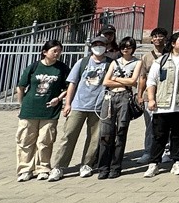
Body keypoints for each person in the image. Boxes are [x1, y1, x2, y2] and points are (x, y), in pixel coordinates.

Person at [47, 35, 112, 181]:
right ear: (91, 47)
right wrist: (68, 104)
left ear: (106, 47)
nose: (98, 47)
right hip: (78, 105)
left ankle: (87, 164)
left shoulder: (110, 64)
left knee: (94, 138)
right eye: (95, 44)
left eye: (101, 44)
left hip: (98, 107)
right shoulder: (82, 62)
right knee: (68, 135)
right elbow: (72, 83)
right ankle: (58, 166)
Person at [144, 32, 179, 178]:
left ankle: (177, 162)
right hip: (162, 105)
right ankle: (154, 163)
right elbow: (151, 81)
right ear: (173, 43)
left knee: (178, 135)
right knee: (159, 136)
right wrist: (151, 99)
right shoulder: (161, 61)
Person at [15, 40, 70, 182]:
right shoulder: (34, 67)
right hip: (30, 109)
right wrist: (22, 104)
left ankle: (43, 168)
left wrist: (59, 98)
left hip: (50, 111)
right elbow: (21, 86)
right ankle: (25, 169)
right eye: (54, 51)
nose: (57, 54)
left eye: (59, 51)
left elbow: (68, 87)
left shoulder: (62, 68)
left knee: (45, 141)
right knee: (25, 140)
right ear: (45, 52)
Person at [96, 36, 143, 179]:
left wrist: (115, 78)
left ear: (133, 48)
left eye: (128, 47)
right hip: (109, 97)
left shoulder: (137, 62)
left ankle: (115, 167)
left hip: (124, 97)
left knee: (121, 132)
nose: (125, 49)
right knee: (106, 133)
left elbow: (133, 81)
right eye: (123, 47)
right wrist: (123, 81)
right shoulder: (114, 62)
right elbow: (106, 82)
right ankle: (103, 167)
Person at [137, 27, 168, 164]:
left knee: (166, 125)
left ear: (165, 38)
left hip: (166, 95)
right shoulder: (146, 57)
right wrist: (139, 95)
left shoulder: (170, 54)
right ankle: (148, 152)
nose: (157, 39)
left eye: (160, 36)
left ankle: (165, 151)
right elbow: (142, 78)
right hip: (149, 96)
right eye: (155, 36)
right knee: (150, 126)